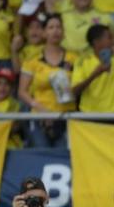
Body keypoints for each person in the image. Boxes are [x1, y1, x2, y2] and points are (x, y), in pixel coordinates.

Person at [18, 13, 76, 147]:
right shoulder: (32, 60)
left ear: (63, 32)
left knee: (64, 158)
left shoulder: (74, 58)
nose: (55, 30)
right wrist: (42, 110)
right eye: (51, 27)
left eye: (58, 27)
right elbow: (22, 91)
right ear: (44, 32)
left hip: (66, 117)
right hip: (39, 118)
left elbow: (78, 86)